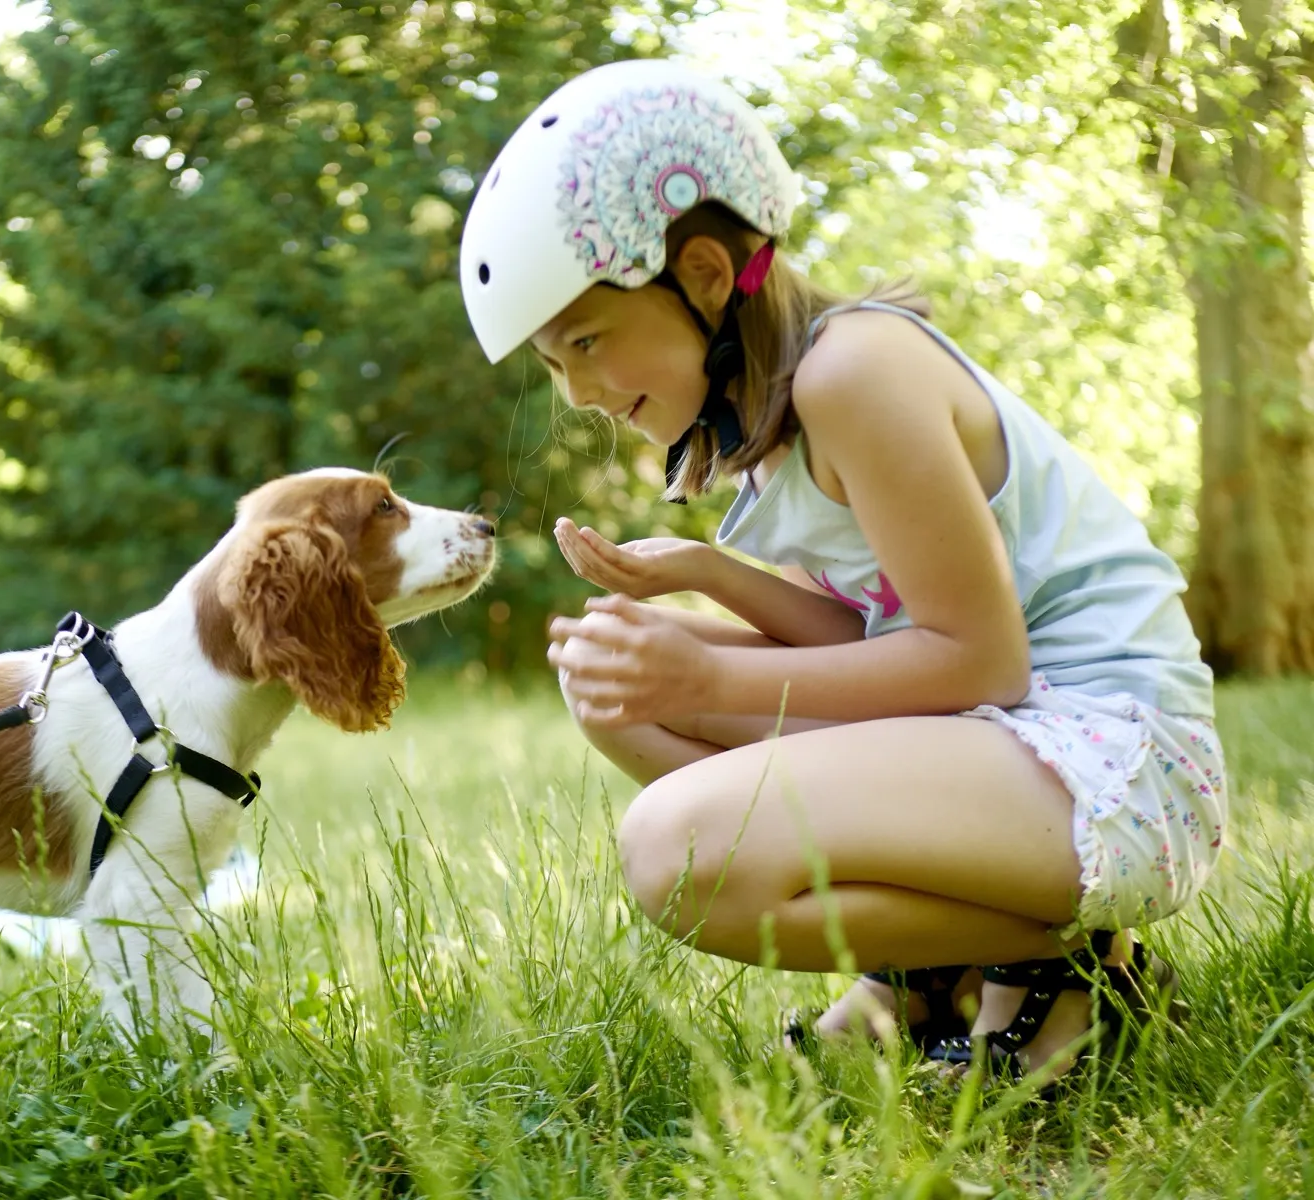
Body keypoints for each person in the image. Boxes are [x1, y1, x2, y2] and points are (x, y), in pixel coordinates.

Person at [457, 59, 1225, 1087]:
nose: (583, 393)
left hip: (1123, 763)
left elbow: (977, 661)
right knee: (609, 688)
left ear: (698, 276)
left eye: (588, 342)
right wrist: (702, 576)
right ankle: (931, 977)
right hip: (1015, 743)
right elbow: (877, 647)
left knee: (677, 850)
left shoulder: (853, 372)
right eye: (557, 368)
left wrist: (710, 677)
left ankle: (1063, 978)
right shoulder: (781, 427)